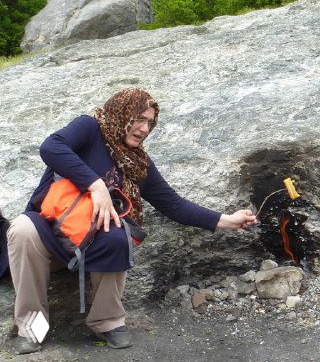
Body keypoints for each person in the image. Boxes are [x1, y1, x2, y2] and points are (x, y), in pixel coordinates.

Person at [4, 88, 258, 354]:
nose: (144, 128)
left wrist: (226, 220)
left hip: (91, 240)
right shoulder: (89, 128)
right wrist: (96, 186)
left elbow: (174, 204)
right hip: (49, 233)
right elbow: (51, 147)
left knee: (118, 236)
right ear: (121, 113)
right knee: (22, 228)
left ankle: (107, 322)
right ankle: (32, 329)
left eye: (150, 122)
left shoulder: (137, 163)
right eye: (139, 118)